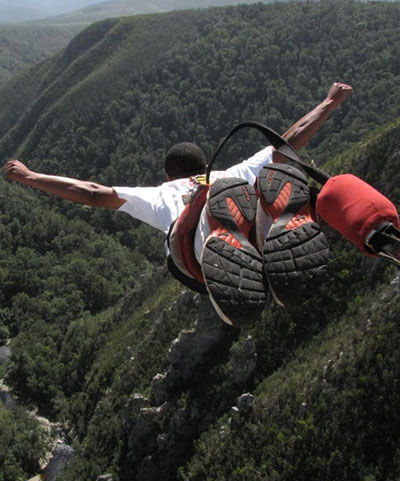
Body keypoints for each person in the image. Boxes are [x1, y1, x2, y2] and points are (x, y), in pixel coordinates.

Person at [7, 82, 395, 327]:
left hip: (196, 249)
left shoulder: (160, 194)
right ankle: (271, 223)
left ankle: (221, 230)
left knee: (187, 236)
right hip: (236, 199)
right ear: (202, 164)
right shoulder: (232, 170)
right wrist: (329, 102)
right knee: (268, 184)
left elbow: (91, 192)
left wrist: (30, 176)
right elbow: (289, 140)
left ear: (169, 174)